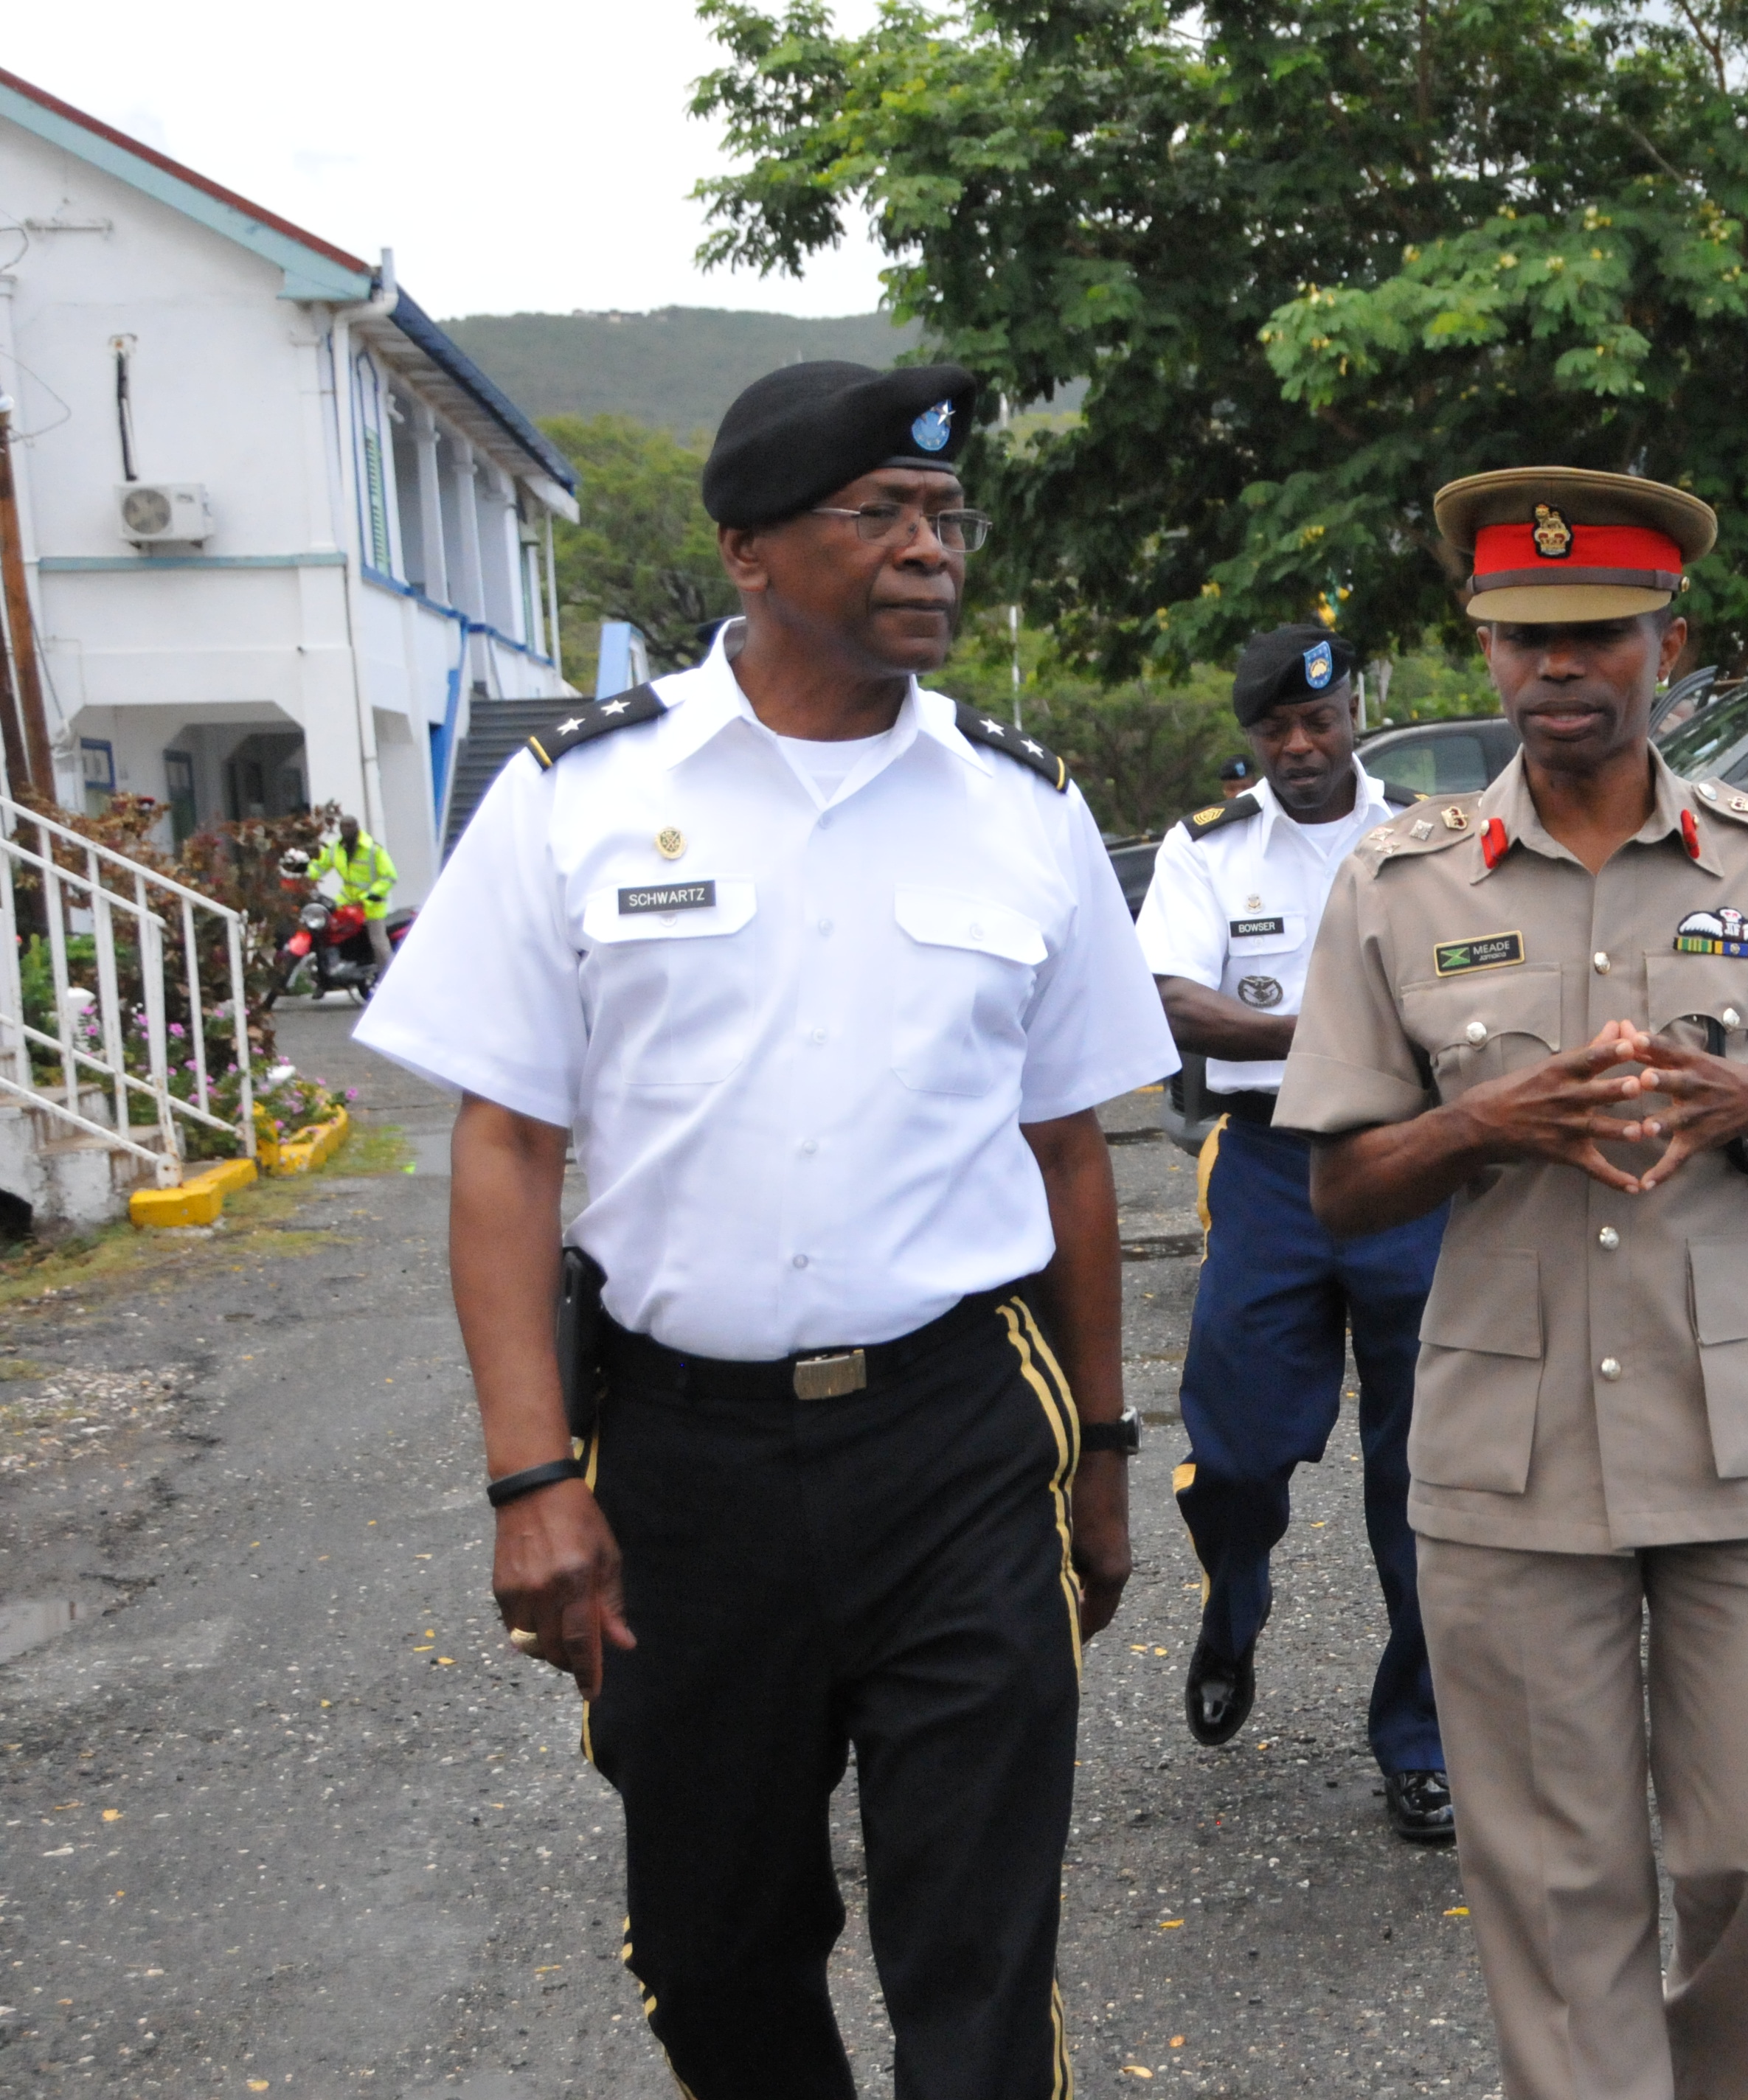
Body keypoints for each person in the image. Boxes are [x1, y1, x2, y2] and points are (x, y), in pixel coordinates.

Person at [352, 358, 1173, 2100]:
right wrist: (528, 1476)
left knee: (977, 1950)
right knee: (713, 1944)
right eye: (879, 513)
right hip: (682, 1459)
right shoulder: (579, 792)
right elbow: (506, 1145)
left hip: (960, 1432)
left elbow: (1071, 1152)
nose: (930, 548)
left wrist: (1102, 1451)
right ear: (746, 549)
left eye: (946, 515)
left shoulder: (1022, 809)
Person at [1275, 467, 1748, 2100]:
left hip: (1740, 1436)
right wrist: (1482, 1122)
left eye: (1597, 632)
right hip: (1507, 1459)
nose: (1558, 666)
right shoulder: (1398, 883)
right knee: (1553, 1880)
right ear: (1484, 649)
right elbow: (1340, 1187)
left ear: (1669, 643)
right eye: (1524, 637)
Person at [1132, 625, 1452, 1839]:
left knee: (1427, 1466)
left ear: (1354, 713)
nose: (1302, 745)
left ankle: (1421, 1738)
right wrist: (1331, 1038)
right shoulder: (1209, 848)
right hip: (1270, 1164)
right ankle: (1233, 1601)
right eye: (1277, 729)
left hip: (1412, 1159)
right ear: (1254, 738)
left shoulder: (1432, 836)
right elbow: (1172, 996)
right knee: (1237, 1450)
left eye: (1319, 721)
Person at [305, 813, 399, 975]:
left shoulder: (373, 849)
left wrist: (369, 897)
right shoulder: (336, 848)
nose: (346, 830)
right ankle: (335, 970)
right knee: (328, 933)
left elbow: (389, 877)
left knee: (378, 942)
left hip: (370, 905)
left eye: (350, 826)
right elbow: (319, 867)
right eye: (343, 827)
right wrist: (303, 876)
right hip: (346, 902)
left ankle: (390, 977)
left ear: (357, 827)